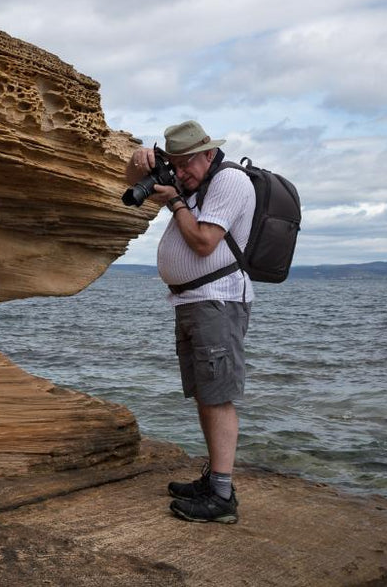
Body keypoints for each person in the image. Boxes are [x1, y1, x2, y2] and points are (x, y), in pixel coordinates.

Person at [124, 120, 255, 524]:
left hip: (219, 301)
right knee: (205, 393)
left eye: (186, 164)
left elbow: (203, 243)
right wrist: (137, 163)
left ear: (209, 153)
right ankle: (214, 481)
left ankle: (221, 497)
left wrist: (175, 202)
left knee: (217, 396)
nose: (180, 173)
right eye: (174, 165)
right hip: (193, 302)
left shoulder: (230, 181)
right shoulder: (195, 183)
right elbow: (132, 184)